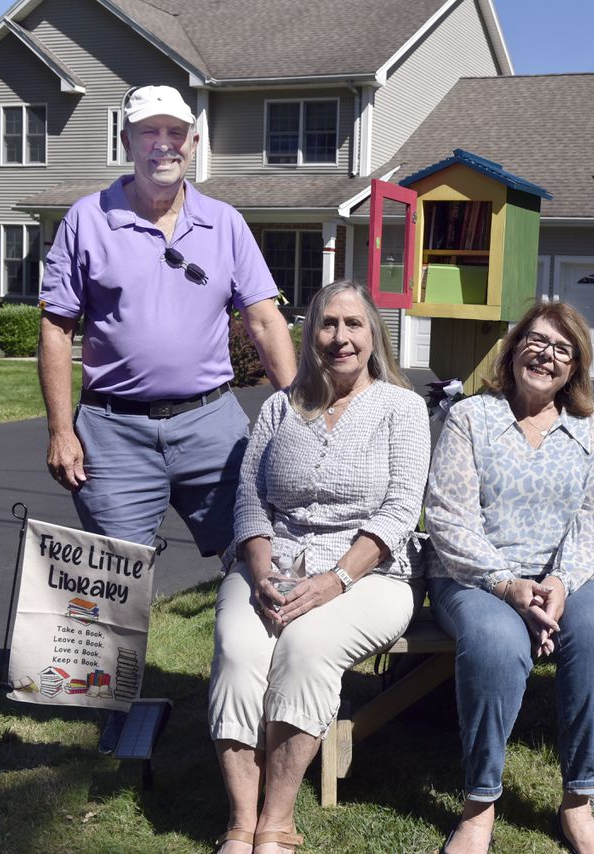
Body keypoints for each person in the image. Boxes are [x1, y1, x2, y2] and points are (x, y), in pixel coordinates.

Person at [208, 280, 430, 854]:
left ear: (373, 334)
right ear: (310, 335)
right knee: (239, 649)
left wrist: (336, 580)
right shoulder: (282, 405)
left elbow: (402, 507)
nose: (340, 338)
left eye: (353, 325)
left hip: (372, 574)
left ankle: (276, 823)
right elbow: (251, 498)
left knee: (306, 647)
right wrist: (259, 572)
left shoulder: (401, 408)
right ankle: (240, 821)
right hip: (273, 562)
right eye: (328, 324)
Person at [38, 84, 296, 552]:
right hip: (113, 433)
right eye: (148, 132)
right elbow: (56, 330)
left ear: (193, 143)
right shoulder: (86, 220)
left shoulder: (225, 223)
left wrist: (298, 411)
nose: (163, 143)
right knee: (116, 577)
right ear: (126, 142)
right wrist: (60, 430)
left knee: (255, 556)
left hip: (212, 425)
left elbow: (264, 320)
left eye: (176, 132)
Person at [425, 302, 594, 854]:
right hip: (475, 576)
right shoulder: (470, 418)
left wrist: (558, 583)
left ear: (575, 368)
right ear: (513, 351)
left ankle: (580, 802)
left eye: (563, 349)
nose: (546, 355)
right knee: (495, 642)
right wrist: (508, 586)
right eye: (536, 342)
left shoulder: (593, 431)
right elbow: (447, 517)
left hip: (570, 577)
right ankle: (479, 804)